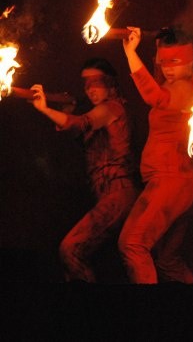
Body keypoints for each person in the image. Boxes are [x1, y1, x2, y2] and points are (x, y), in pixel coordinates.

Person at [30, 58, 139, 282]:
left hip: (119, 193)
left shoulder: (112, 108)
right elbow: (77, 127)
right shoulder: (99, 113)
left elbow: (80, 123)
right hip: (105, 195)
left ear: (110, 84)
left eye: (96, 82)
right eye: (86, 84)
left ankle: (86, 311)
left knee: (70, 249)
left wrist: (45, 108)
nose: (90, 89)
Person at [118, 26, 193, 283]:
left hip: (173, 180)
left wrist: (130, 54)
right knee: (167, 260)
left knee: (132, 244)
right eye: (163, 62)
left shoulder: (188, 87)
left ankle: (149, 316)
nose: (168, 68)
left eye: (175, 62)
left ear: (191, 60)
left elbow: (153, 97)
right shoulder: (173, 83)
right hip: (178, 182)